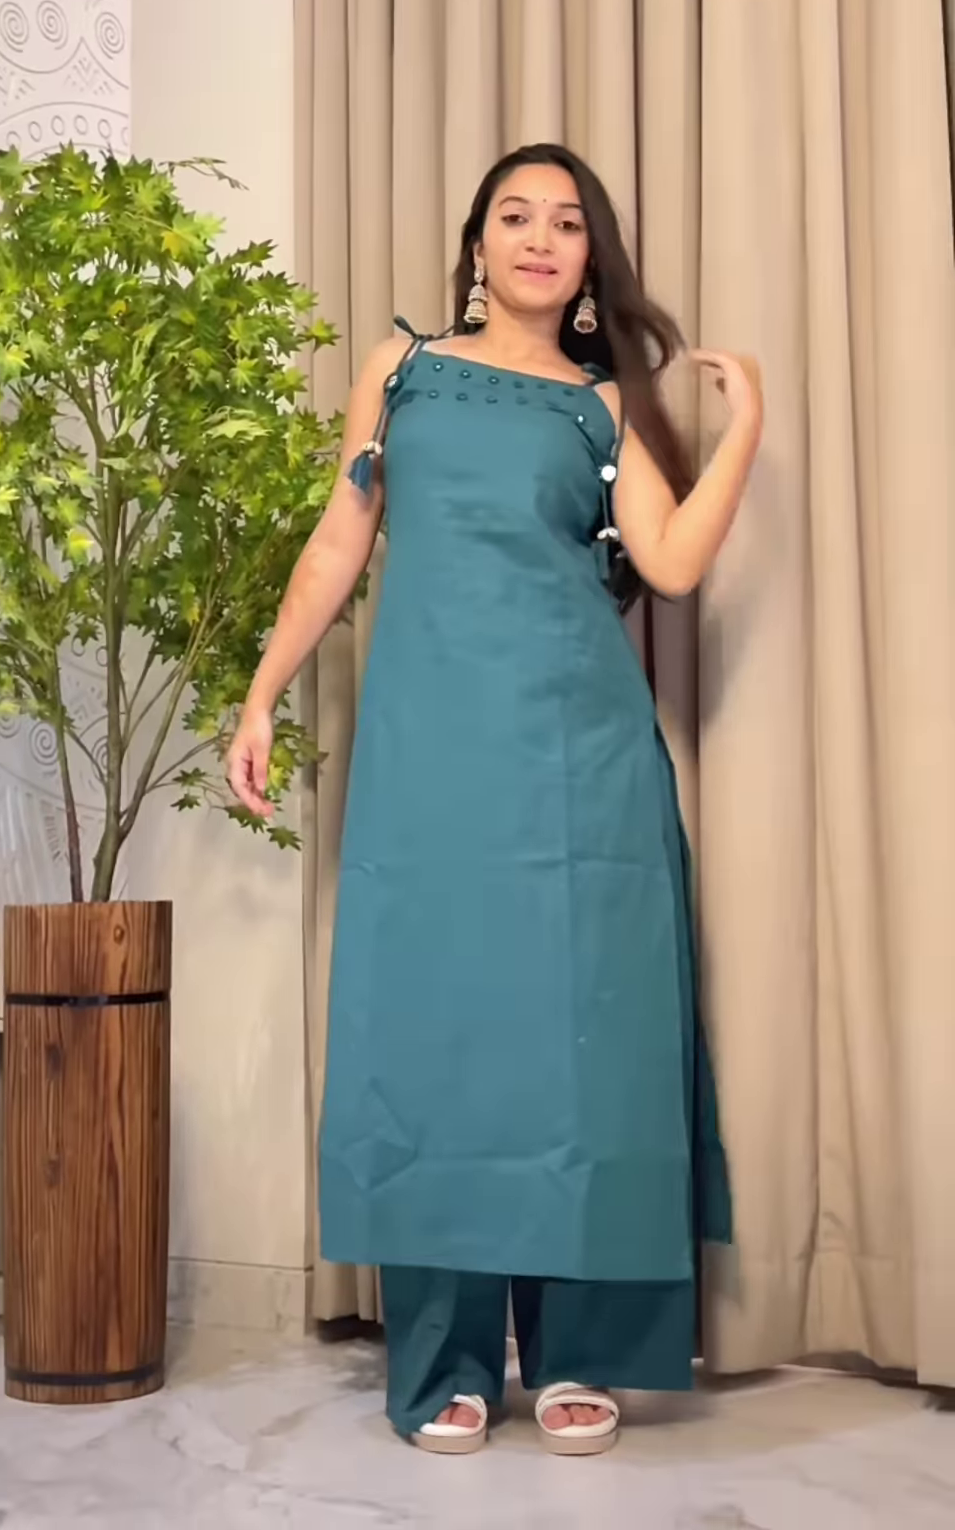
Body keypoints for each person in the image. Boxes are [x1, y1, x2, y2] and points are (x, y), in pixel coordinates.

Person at [226, 144, 763, 1457]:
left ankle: (579, 1355)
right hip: (430, 756)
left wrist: (743, 429)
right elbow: (341, 539)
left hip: (582, 763)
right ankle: (447, 1361)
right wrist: (260, 695)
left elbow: (671, 563)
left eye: (566, 224)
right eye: (515, 216)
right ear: (477, 243)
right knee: (438, 1041)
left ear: (588, 261)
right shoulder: (403, 369)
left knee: (582, 1050)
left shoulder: (600, 407)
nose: (539, 238)